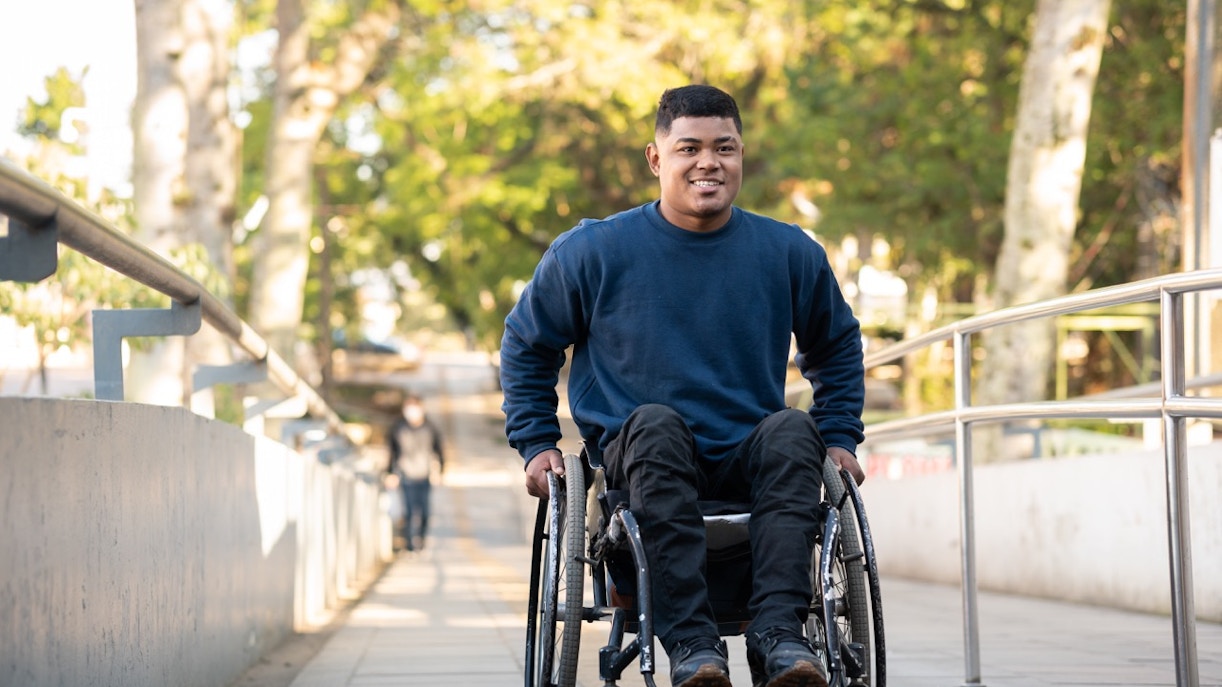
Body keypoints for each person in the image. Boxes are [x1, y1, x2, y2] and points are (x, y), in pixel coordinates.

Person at [499, 84, 865, 687]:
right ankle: (692, 646)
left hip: (749, 459)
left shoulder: (787, 251)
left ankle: (780, 637)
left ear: (742, 154)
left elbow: (837, 345)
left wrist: (842, 434)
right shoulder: (593, 251)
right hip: (642, 459)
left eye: (725, 148)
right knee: (656, 423)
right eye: (689, 148)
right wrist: (537, 441)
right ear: (655, 158)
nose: (708, 163)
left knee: (794, 428)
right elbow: (527, 344)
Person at [385, 392, 445, 552]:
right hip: (406, 475)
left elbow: (439, 450)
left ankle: (422, 540)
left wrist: (441, 471)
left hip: (424, 475)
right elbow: (392, 452)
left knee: (425, 512)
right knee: (409, 512)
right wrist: (390, 473)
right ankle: (410, 545)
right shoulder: (398, 428)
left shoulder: (430, 427)